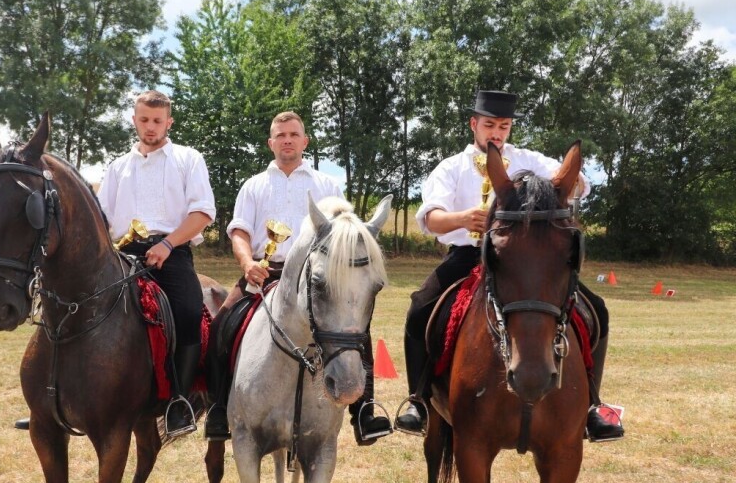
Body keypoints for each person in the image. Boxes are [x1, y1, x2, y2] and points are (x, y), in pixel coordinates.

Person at [393, 90, 625, 442]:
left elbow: (578, 186)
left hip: (520, 260)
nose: (496, 133)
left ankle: (593, 404)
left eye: (504, 126)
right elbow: (431, 219)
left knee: (598, 310)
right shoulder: (451, 167)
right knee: (420, 307)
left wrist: (572, 181)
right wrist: (463, 217)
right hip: (467, 256)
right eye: (489, 125)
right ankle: (419, 400)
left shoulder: (529, 159)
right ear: (474, 125)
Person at [203, 111, 393, 445]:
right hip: (264, 274)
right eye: (280, 135)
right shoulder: (254, 185)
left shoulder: (326, 184)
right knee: (221, 327)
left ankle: (363, 412)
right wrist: (248, 263)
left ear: (305, 141)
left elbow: (345, 234)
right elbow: (239, 232)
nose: (287, 140)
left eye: (293, 134)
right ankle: (219, 409)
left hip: (318, 280)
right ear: (271, 143)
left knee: (355, 333)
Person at [98, 90, 216, 437]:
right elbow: (101, 218)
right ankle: (60, 396)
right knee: (79, 305)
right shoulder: (118, 166)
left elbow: (203, 213)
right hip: (121, 254)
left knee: (190, 311)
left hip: (171, 252)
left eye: (157, 121)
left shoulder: (188, 159)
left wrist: (167, 243)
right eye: (144, 120)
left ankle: (179, 401)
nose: (150, 127)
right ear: (134, 120)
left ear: (169, 122)